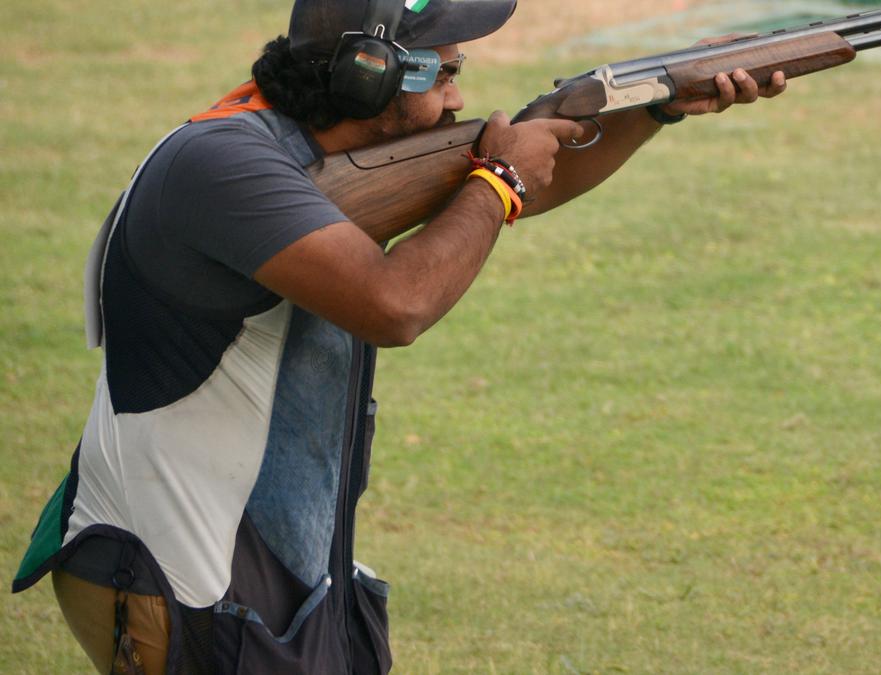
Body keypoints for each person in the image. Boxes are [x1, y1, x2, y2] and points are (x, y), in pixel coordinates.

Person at [12, 0, 787, 672]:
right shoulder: (225, 168)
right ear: (369, 75)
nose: (460, 95)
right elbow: (397, 302)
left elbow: (512, 187)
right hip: (179, 576)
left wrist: (654, 107)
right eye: (444, 71)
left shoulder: (302, 153)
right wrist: (499, 181)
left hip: (262, 568)